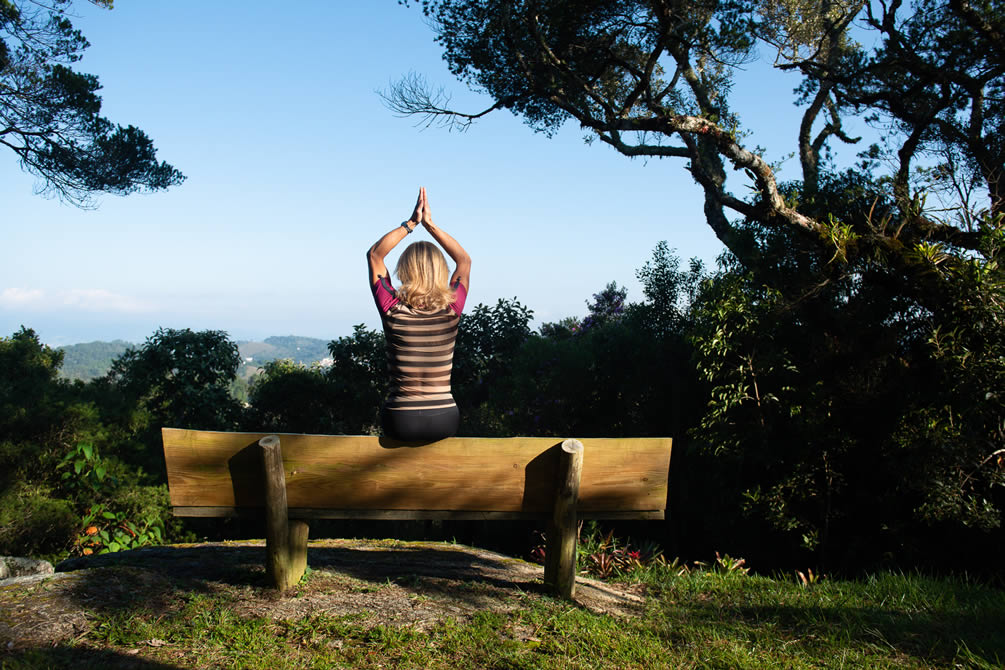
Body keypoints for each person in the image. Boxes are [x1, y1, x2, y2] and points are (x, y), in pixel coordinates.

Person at [367, 187, 471, 441]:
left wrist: (411, 224)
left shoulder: (392, 308)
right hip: (446, 418)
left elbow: (375, 255)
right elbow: (464, 261)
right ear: (440, 270)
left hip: (400, 420)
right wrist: (430, 225)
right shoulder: (451, 309)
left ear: (404, 269)